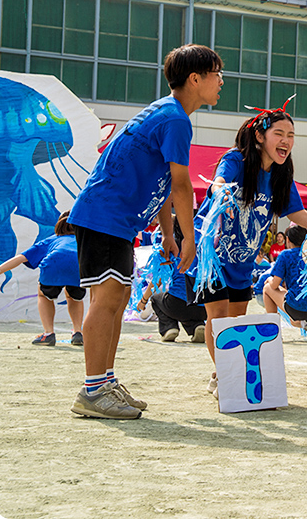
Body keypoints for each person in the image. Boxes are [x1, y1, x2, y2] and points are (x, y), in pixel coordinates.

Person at [67, 44, 222, 419]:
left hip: (115, 219)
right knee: (107, 301)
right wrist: (190, 238)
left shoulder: (168, 113)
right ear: (195, 78)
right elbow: (182, 185)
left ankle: (104, 383)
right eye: (217, 74)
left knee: (118, 299)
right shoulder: (175, 119)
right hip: (105, 215)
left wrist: (168, 234)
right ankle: (93, 391)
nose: (221, 82)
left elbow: (163, 184)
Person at [191, 100, 307, 399]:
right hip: (212, 254)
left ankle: (221, 373)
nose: (286, 140)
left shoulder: (281, 173)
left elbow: (295, 211)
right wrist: (220, 190)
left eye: (291, 135)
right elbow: (218, 181)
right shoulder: (237, 159)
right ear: (260, 136)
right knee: (219, 318)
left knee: (238, 319)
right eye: (279, 133)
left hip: (243, 260)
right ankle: (227, 375)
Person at [0, 211, 84, 347]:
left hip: (53, 264)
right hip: (78, 266)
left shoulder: (52, 239)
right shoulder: (84, 241)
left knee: (44, 295)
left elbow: (21, 258)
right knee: (74, 297)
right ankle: (78, 332)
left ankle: (48, 334)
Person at [264, 224, 307, 345]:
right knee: (295, 312)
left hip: (296, 306)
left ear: (287, 240)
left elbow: (274, 285)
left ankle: (273, 332)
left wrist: (269, 279)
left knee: (267, 288)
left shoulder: (285, 254)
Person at [138, 252, 206, 343]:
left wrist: (143, 300)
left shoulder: (171, 253)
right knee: (189, 304)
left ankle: (169, 328)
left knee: (156, 297)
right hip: (204, 308)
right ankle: (197, 326)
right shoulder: (203, 249)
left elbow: (157, 280)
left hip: (177, 304)